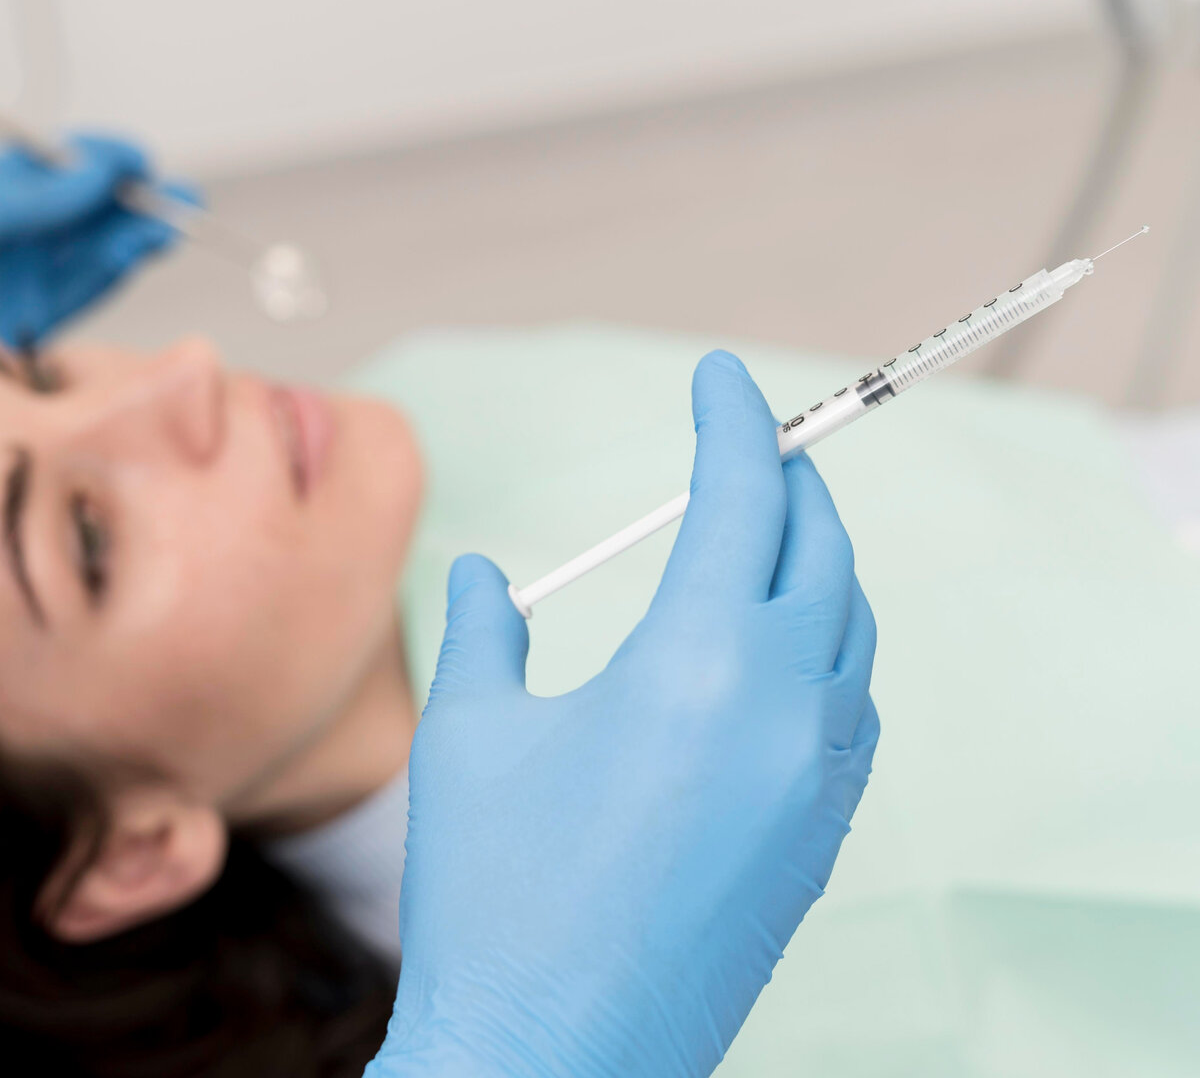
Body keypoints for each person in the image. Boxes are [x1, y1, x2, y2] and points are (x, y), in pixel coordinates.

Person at [0, 134, 878, 1077]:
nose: (186, 368)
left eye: (35, 367)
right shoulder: (525, 1024)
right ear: (130, 853)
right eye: (88, 538)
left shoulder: (449, 396)